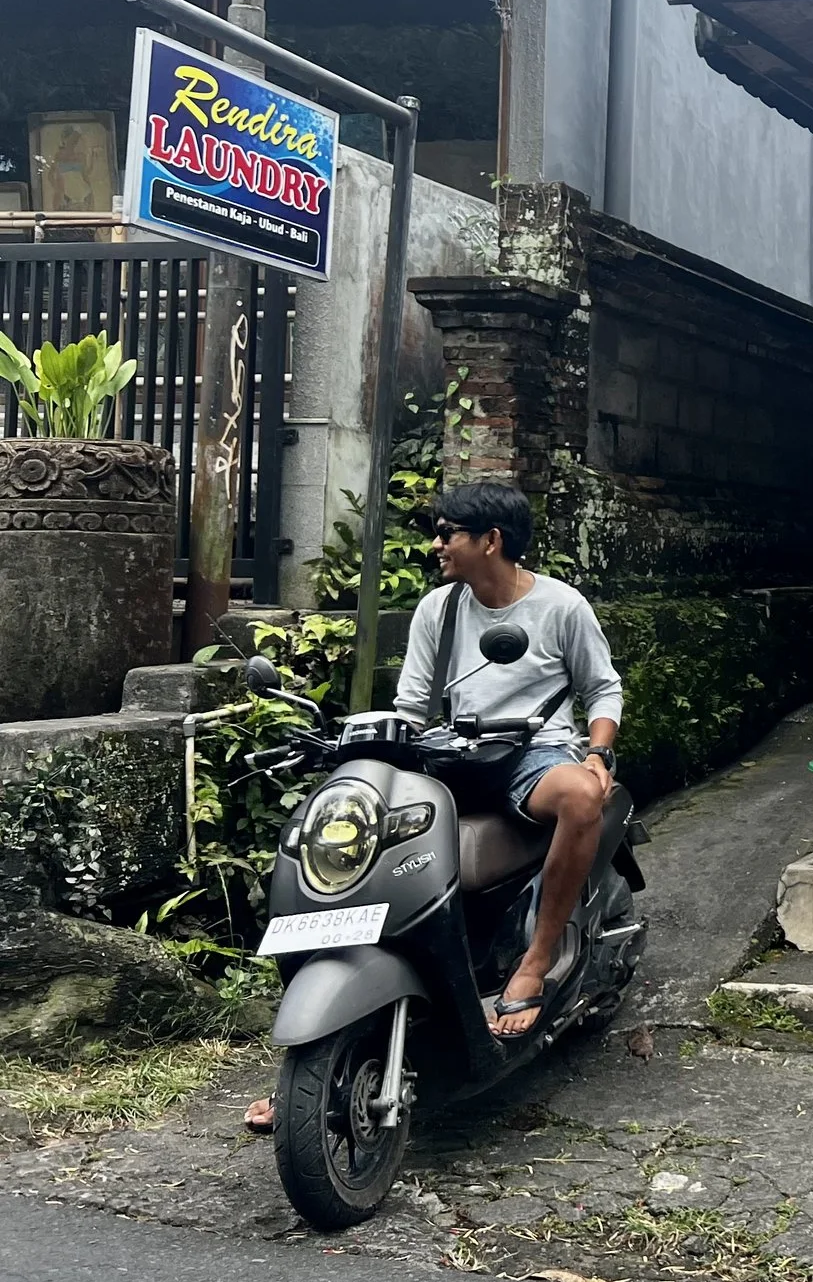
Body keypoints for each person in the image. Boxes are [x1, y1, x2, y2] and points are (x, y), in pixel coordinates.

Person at [244, 483, 625, 1132]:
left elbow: (602, 689)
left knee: (581, 796)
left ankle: (534, 959)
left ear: (490, 541)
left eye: (448, 532)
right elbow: (415, 708)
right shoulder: (438, 611)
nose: (436, 544)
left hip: (534, 753)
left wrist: (597, 752)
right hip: (455, 752)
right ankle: (336, 1036)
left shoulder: (562, 606)